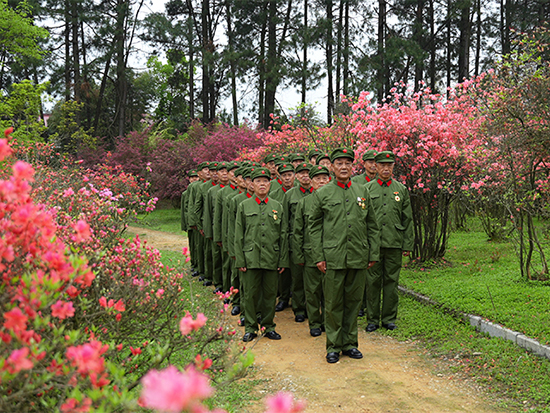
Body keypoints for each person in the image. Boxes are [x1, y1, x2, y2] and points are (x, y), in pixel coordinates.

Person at [309, 148, 380, 364]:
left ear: (352, 166)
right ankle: (333, 346)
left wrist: (372, 253)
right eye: (339, 163)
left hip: (358, 255)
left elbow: (372, 224)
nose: (343, 167)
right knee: (332, 303)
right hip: (333, 257)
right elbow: (314, 227)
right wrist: (319, 256)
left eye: (347, 163)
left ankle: (350, 343)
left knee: (353, 302)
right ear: (332, 167)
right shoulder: (323, 193)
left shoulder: (362, 191)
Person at [234, 167, 289, 342]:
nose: (262, 184)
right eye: (258, 181)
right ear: (252, 184)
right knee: (250, 295)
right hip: (250, 258)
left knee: (270, 294)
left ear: (270, 184)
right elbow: (239, 235)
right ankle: (250, 328)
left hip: (271, 257)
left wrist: (283, 260)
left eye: (265, 181)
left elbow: (283, 235)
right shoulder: (244, 206)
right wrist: (240, 259)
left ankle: (268, 326)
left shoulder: (277, 206)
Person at [365, 151, 413, 332]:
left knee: (391, 282)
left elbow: (407, 219)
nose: (386, 168)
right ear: (375, 167)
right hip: (373, 245)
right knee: (372, 283)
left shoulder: (401, 189)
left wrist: (407, 244)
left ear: (393, 167)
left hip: (394, 242)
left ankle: (389, 318)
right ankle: (372, 319)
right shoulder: (367, 189)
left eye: (389, 165)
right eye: (382, 165)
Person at [292, 165, 331, 336]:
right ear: (311, 181)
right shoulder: (304, 203)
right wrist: (299, 255)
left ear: (329, 180)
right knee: (312, 291)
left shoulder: (334, 199)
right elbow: (298, 231)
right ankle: (314, 322)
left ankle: (327, 322)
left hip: (332, 253)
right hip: (310, 254)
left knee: (329, 291)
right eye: (317, 179)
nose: (321, 181)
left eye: (324, 178)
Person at [282, 162, 313, 322]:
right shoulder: (290, 195)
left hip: (314, 242)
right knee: (298, 278)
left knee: (314, 280)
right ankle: (299, 309)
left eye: (308, 173)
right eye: (301, 173)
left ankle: (313, 309)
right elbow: (285, 221)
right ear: (296, 176)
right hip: (296, 242)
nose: (305, 176)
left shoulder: (318, 193)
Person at [181, 170, 199, 275]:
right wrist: (184, 224)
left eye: (196, 176)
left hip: (197, 223)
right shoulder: (185, 194)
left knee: (198, 245)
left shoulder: (199, 190)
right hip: (189, 223)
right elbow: (184, 210)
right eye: (192, 177)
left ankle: (198, 265)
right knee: (192, 245)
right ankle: (194, 264)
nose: (194, 179)